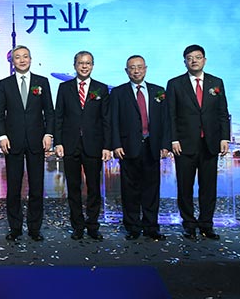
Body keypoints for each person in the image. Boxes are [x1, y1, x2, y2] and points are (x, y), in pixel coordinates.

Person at [166, 44, 230, 240]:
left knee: (208, 187)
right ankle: (189, 224)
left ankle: (206, 225)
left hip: (210, 143)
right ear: (185, 62)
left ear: (205, 60)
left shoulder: (216, 82)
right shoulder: (175, 84)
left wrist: (224, 137)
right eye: (189, 58)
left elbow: (222, 113)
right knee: (185, 187)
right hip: (184, 144)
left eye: (198, 57)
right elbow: (171, 115)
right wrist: (173, 139)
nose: (194, 61)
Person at [0, 45, 54, 242]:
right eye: (18, 57)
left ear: (30, 59)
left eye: (25, 56)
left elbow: (49, 112)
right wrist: (2, 136)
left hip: (37, 141)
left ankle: (35, 229)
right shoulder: (5, 84)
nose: (22, 60)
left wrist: (49, 134)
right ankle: (15, 228)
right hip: (12, 142)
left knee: (36, 187)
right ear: (12, 61)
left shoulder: (41, 82)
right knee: (13, 188)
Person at [110, 55, 169, 241]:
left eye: (139, 67)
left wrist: (165, 144)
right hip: (128, 147)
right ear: (126, 71)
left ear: (145, 69)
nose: (136, 71)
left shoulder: (158, 91)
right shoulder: (118, 93)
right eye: (132, 68)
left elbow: (166, 120)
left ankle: (151, 227)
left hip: (152, 146)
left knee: (152, 189)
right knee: (130, 190)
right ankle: (132, 227)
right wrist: (116, 144)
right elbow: (113, 121)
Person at [54, 50, 111, 241]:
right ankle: (77, 226)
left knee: (94, 187)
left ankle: (93, 226)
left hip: (94, 145)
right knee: (73, 187)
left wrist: (107, 146)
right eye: (81, 63)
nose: (84, 66)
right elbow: (59, 116)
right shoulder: (64, 88)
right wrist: (58, 142)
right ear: (75, 65)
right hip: (70, 145)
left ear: (92, 66)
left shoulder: (101, 89)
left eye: (88, 63)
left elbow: (106, 119)